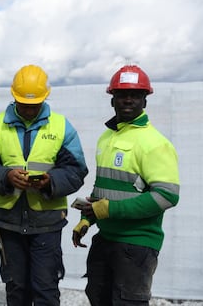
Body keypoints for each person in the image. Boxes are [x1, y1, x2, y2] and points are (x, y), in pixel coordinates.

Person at [0, 64, 88, 306]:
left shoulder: (61, 127)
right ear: (13, 96)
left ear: (45, 98)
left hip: (47, 224)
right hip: (8, 223)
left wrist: (51, 182)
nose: (28, 109)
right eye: (24, 104)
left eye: (34, 104)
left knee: (46, 289)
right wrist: (5, 176)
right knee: (16, 289)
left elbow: (77, 170)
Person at [72, 65, 180, 305]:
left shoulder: (154, 143)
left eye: (135, 95)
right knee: (98, 297)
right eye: (121, 95)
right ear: (113, 100)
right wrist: (88, 219)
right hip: (106, 239)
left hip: (137, 244)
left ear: (145, 100)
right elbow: (103, 189)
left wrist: (109, 209)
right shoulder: (108, 137)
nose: (128, 100)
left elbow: (167, 196)